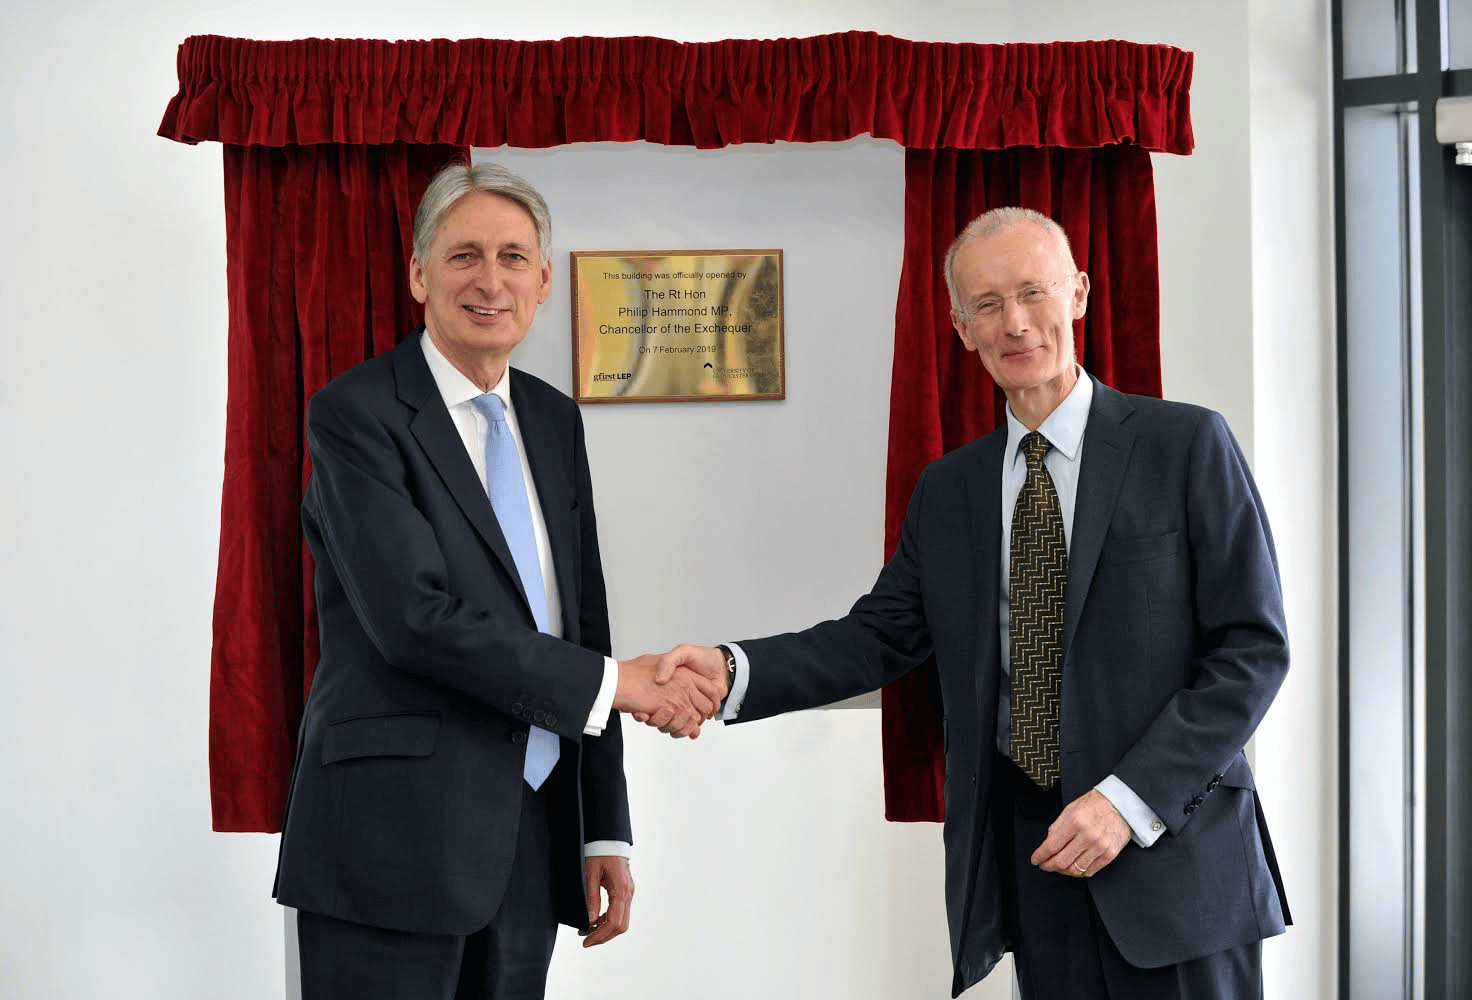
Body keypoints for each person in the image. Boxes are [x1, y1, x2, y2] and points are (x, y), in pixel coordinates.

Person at [652, 207, 1291, 999]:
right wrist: (728, 669)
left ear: (1080, 294)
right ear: (960, 327)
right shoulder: (949, 489)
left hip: (1176, 862)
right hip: (1034, 860)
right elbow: (875, 639)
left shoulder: (1187, 445)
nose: (1015, 322)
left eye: (1033, 292)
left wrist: (1127, 802)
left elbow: (1253, 650)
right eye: (987, 305)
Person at [273, 161, 720, 1000]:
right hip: (389, 843)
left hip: (529, 838)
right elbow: (415, 619)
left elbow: (582, 622)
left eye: (514, 257)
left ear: (544, 281)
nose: (491, 280)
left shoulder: (553, 419)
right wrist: (624, 687)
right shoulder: (355, 415)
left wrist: (603, 830)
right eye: (463, 255)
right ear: (418, 274)